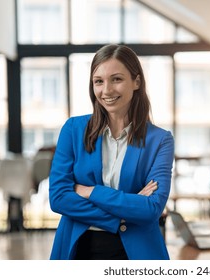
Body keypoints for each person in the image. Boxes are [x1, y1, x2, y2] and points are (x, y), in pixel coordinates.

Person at [48, 44, 175, 260]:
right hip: (79, 248)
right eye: (99, 81)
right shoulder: (73, 130)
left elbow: (151, 208)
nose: (106, 90)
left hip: (138, 252)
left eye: (116, 79)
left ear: (136, 82)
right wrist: (120, 216)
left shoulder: (160, 140)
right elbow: (59, 197)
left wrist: (89, 192)